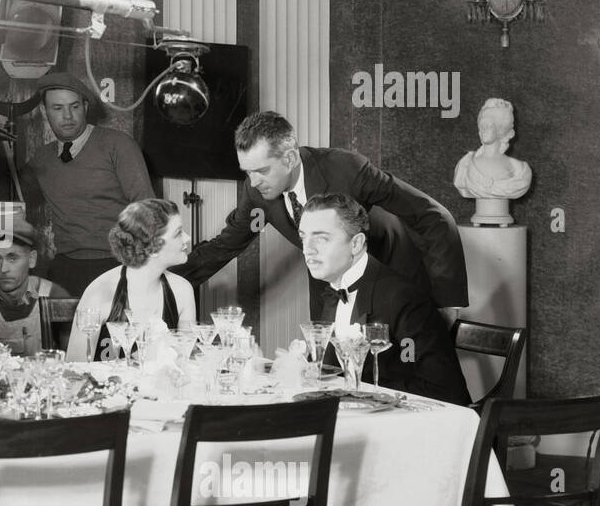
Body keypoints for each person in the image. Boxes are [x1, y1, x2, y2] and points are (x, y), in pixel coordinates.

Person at [173, 110, 468, 315]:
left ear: (289, 158)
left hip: (395, 282)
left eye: (261, 171)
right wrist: (153, 275)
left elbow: (433, 216)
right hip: (331, 294)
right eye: (247, 172)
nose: (253, 182)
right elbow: (223, 247)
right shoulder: (257, 193)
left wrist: (447, 300)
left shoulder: (346, 170)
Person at [297, 194, 469, 405]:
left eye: (321, 238)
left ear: (356, 243)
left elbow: (445, 390)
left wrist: (360, 391)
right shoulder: (332, 291)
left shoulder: (402, 298)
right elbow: (335, 374)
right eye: (304, 237)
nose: (308, 250)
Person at [20, 71, 155, 297]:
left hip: (116, 264)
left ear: (85, 107)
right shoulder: (41, 159)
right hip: (65, 268)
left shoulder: (118, 145)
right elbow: (15, 196)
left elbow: (147, 209)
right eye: (57, 108)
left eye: (74, 107)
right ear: (44, 112)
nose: (67, 116)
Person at [67, 199, 197, 361]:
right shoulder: (99, 293)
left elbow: (184, 364)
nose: (187, 238)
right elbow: (75, 370)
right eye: (178, 233)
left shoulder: (182, 290)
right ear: (153, 247)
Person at [0, 218, 71, 355]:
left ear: (31, 259)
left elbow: (75, 361)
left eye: (12, 258)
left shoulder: (56, 297)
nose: (3, 269)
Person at [453, 97, 532, 200]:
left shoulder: (520, 170)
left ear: (501, 130)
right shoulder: (465, 165)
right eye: (482, 125)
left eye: (489, 125)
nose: (483, 129)